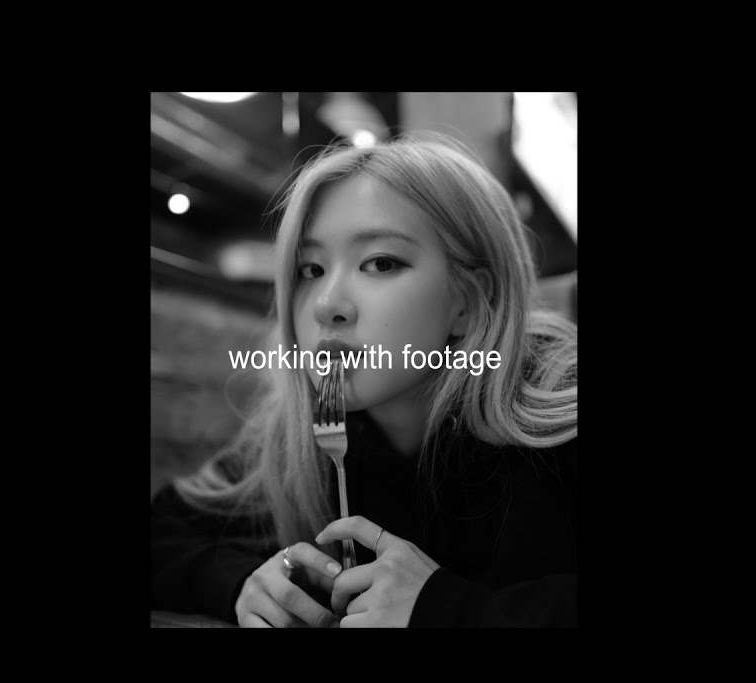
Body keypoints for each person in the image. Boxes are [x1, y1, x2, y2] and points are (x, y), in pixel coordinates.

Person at [150, 132, 577, 627]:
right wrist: (245, 584)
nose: (327, 304)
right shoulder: (301, 441)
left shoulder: (558, 412)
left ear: (468, 301)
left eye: (380, 263)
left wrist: (447, 610)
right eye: (310, 269)